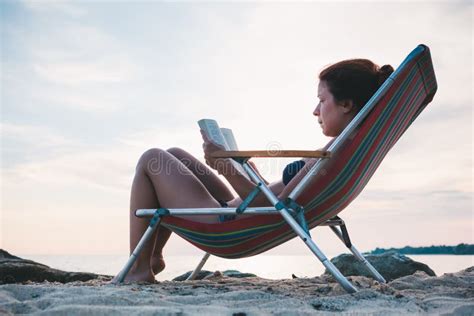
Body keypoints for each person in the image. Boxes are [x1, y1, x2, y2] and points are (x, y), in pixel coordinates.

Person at [118, 58, 394, 283]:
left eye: (322, 100)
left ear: (346, 104)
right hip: (242, 211)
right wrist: (251, 174)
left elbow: (269, 206)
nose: (315, 110)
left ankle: (139, 268)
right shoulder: (346, 148)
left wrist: (225, 166)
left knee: (151, 159)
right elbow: (282, 200)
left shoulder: (330, 155)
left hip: (228, 225)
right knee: (174, 155)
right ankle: (151, 256)